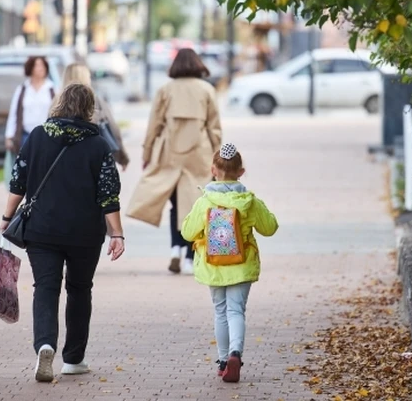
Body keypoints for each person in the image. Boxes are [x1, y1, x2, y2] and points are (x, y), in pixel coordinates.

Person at [0, 83, 126, 383]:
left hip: (42, 230)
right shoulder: (98, 145)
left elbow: (18, 182)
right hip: (85, 232)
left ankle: (45, 344)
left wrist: (6, 218)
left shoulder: (38, 137)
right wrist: (117, 235)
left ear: (58, 104)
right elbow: (109, 195)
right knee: (80, 290)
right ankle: (74, 359)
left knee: (46, 287)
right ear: (88, 109)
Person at [181, 143, 279, 383]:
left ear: (213, 170)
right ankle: (236, 353)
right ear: (241, 172)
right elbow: (270, 228)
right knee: (236, 310)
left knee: (220, 311)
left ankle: (224, 360)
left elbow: (187, 232)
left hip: (213, 265)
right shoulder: (249, 201)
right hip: (242, 264)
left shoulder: (204, 202)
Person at [126, 48, 222, 275]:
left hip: (169, 152)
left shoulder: (165, 90)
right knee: (195, 205)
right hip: (199, 153)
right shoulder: (207, 90)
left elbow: (154, 125)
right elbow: (214, 128)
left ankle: (174, 249)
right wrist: (218, 158)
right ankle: (190, 257)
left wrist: (147, 154)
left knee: (174, 205)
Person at [60, 63, 130, 170]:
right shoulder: (95, 101)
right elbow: (113, 128)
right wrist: (122, 157)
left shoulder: (57, 101)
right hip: (91, 160)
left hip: (63, 161)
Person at [5, 56, 56, 154]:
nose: (41, 68)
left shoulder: (52, 89)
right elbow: (14, 114)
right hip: (25, 136)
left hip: (46, 136)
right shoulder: (23, 89)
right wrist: (9, 136)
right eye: (37, 65)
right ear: (30, 68)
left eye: (43, 65)